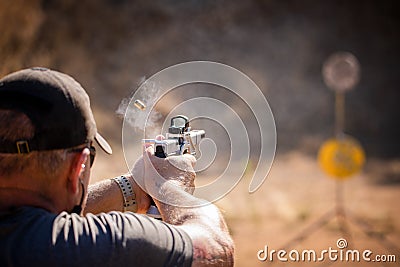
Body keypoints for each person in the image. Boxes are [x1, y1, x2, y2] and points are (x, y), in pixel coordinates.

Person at [0, 67, 234, 266]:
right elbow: (214, 250)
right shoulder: (95, 243)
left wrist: (131, 187)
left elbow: (30, 208)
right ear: (78, 166)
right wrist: (170, 188)